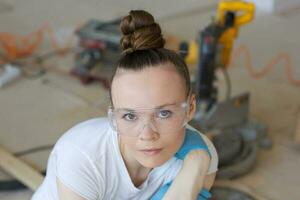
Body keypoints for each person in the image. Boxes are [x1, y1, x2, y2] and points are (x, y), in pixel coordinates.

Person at [32, 10, 218, 200]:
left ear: (191, 108)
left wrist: (197, 163)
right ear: (113, 115)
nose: (147, 135)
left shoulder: (201, 157)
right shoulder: (83, 157)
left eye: (163, 113)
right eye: (130, 116)